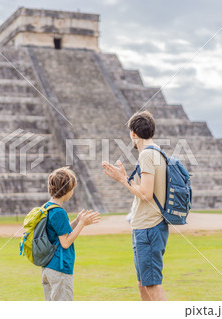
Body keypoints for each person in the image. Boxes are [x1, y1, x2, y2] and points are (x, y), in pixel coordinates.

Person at [102, 111, 169, 301]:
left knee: (152, 286)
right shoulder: (157, 151)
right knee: (143, 285)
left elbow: (146, 194)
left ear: (133, 133)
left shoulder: (147, 155)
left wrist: (122, 179)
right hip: (147, 226)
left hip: (149, 227)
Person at [42, 166, 101, 301]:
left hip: (48, 267)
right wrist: (82, 224)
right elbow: (65, 243)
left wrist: (76, 221)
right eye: (72, 189)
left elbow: (59, 232)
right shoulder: (59, 212)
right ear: (66, 190)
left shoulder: (47, 207)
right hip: (60, 268)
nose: (73, 192)